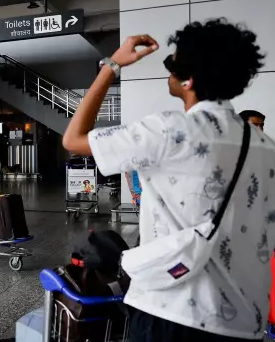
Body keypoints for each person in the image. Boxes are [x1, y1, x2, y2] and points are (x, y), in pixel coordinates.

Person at [62, 19, 273, 342]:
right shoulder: (265, 147)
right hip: (244, 321)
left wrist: (112, 65)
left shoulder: (169, 131)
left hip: (170, 311)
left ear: (189, 80)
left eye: (172, 64)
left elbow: (74, 138)